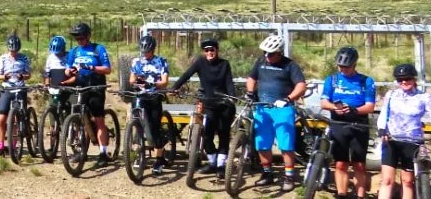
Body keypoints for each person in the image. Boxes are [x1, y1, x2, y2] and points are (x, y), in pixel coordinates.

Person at [376, 64, 431, 199]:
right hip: (392, 140)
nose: (404, 82)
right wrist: (381, 129)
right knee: (387, 180)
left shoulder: (424, 97)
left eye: (407, 78)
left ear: (414, 79)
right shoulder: (391, 95)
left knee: (407, 181)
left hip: (413, 142)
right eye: (400, 80)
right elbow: (383, 114)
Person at [246, 34, 307, 191]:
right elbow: (251, 78)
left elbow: (301, 85)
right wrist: (250, 91)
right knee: (262, 144)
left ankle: (289, 176)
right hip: (262, 108)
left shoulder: (290, 65)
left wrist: (288, 98)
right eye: (265, 53)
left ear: (279, 52)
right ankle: (267, 173)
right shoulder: (261, 62)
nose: (267, 56)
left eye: (271, 53)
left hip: (283, 109)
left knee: (285, 145)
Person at [171, 39, 235, 177]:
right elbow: (187, 75)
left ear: (217, 50)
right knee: (206, 135)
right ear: (203, 52)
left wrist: (232, 97)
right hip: (209, 104)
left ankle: (221, 165)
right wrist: (175, 87)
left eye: (212, 50)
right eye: (206, 50)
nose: (209, 52)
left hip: (224, 104)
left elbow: (229, 82)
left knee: (223, 134)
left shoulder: (224, 64)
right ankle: (212, 162)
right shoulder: (200, 62)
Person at [318, 46, 376, 198]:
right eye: (340, 66)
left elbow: (370, 106)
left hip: (359, 124)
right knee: (340, 163)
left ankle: (360, 195)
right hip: (339, 124)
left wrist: (354, 110)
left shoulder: (366, 81)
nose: (343, 69)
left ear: (354, 64)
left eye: (347, 67)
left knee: (359, 164)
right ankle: (342, 194)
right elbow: (324, 102)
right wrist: (334, 108)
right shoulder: (332, 80)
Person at [64, 23, 114, 166]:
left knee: (98, 120)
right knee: (82, 119)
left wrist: (92, 67)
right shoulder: (74, 51)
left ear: (88, 36)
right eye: (77, 39)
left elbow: (107, 69)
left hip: (96, 86)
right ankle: (82, 153)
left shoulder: (98, 49)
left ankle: (103, 153)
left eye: (81, 38)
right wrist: (70, 71)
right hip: (80, 85)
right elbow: (67, 69)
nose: (79, 41)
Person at [129, 35, 171, 173]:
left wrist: (152, 84)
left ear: (153, 50)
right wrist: (137, 81)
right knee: (137, 125)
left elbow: (165, 81)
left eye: (147, 51)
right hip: (140, 95)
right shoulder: (136, 61)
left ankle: (159, 160)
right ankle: (138, 154)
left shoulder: (161, 61)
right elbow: (131, 79)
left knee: (154, 128)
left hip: (154, 95)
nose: (145, 54)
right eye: (143, 51)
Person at [0, 34, 31, 157]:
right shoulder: (3, 58)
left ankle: (14, 147)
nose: (13, 53)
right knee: (1, 119)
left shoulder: (24, 58)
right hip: (7, 89)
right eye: (12, 50)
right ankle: (0, 147)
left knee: (15, 120)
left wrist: (22, 76)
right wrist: (4, 77)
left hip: (19, 89)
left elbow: (28, 74)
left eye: (15, 50)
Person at [44, 36, 73, 131]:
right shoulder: (50, 58)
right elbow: (47, 73)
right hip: (54, 88)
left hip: (68, 88)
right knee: (52, 106)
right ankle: (53, 130)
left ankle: (72, 128)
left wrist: (68, 81)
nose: (57, 54)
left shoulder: (69, 56)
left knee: (71, 107)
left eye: (59, 52)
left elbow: (74, 73)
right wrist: (47, 83)